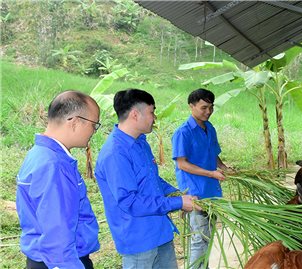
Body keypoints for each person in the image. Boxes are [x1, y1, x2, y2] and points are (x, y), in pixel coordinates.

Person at [95, 88, 198, 269]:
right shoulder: (115, 153)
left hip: (160, 231)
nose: (154, 117)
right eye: (152, 112)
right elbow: (131, 202)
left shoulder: (141, 142)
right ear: (135, 114)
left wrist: (177, 194)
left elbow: (152, 180)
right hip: (139, 240)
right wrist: (178, 203)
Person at [16, 90, 101, 269]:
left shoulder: (40, 154)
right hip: (61, 262)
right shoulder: (54, 165)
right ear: (76, 122)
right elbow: (57, 238)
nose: (94, 131)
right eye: (94, 124)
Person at [171, 88, 231, 268]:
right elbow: (182, 164)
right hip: (195, 193)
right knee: (199, 239)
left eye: (211, 108)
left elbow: (213, 153)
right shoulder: (183, 132)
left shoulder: (210, 128)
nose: (208, 112)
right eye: (204, 107)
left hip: (212, 191)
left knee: (207, 236)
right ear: (191, 106)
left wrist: (223, 167)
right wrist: (211, 173)